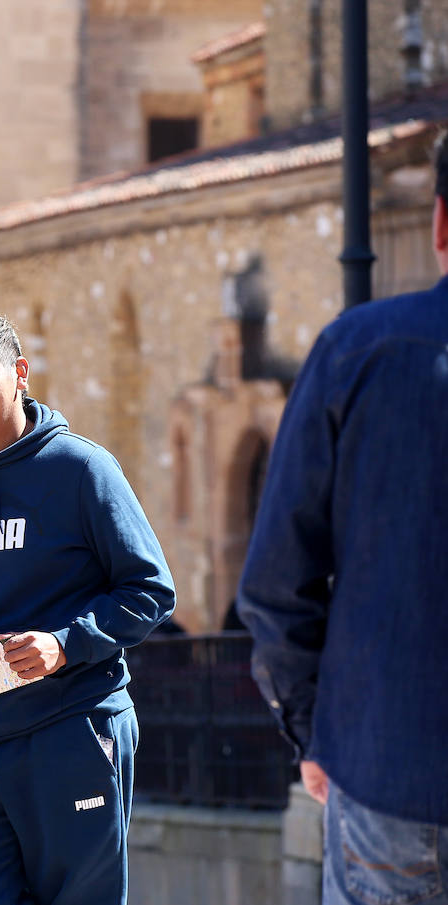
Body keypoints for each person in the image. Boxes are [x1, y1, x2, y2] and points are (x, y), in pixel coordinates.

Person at [0, 310, 176, 905]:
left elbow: (149, 589)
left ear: (20, 373)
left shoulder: (80, 468)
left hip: (72, 731)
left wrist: (65, 644)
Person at [236, 130, 448, 905]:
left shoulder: (355, 351)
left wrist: (311, 727)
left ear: (439, 224)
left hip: (382, 763)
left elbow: (275, 580)